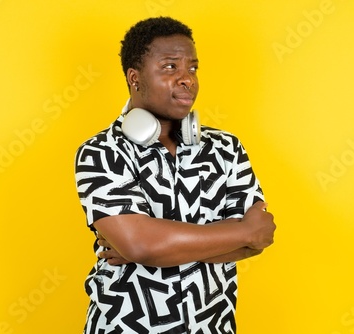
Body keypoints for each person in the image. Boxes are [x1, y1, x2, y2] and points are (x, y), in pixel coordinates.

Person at [74, 16, 276, 334]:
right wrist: (237, 233)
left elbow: (260, 236)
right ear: (134, 78)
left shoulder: (226, 147)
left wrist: (157, 245)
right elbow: (143, 246)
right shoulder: (100, 152)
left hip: (212, 325)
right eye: (170, 67)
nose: (188, 80)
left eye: (192, 68)